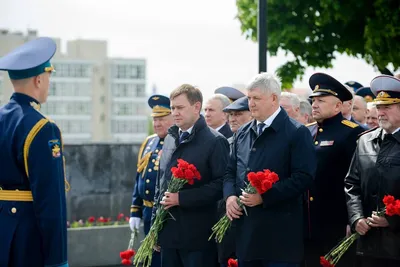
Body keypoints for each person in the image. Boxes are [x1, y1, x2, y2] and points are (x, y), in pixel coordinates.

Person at [224, 73, 316, 267]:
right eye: (249, 98)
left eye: (256, 98)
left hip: (280, 238)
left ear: (274, 98)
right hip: (247, 236)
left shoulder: (297, 132)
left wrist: (265, 197)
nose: (251, 103)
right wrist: (230, 197)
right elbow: (230, 171)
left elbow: (304, 177)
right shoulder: (243, 131)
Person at [0, 37, 69, 267]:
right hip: (27, 242)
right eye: (49, 77)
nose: (49, 83)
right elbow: (51, 202)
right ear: (39, 79)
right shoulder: (43, 128)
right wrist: (58, 260)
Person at [152, 84, 230, 267]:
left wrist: (182, 198)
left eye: (180, 108)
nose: (175, 113)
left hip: (198, 238)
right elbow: (161, 183)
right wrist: (156, 227)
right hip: (169, 235)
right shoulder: (171, 137)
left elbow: (221, 185)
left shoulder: (215, 141)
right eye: (172, 108)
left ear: (196, 107)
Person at [304, 73, 365, 267]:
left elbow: (357, 180)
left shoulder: (351, 132)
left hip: (335, 223)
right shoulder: (307, 131)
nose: (315, 104)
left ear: (338, 106)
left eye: (321, 100)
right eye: (313, 100)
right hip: (307, 224)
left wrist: (351, 219)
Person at [345, 74, 400, 267]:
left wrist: (393, 219)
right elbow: (352, 183)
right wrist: (356, 217)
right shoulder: (364, 141)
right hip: (367, 245)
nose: (381, 112)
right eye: (379, 107)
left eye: (388, 106)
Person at [129, 94, 173, 267]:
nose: (157, 123)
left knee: (161, 260)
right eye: (155, 119)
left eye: (162, 119)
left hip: (165, 213)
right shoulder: (149, 141)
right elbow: (139, 177)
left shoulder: (176, 142)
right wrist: (135, 210)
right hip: (147, 212)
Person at [217, 96, 252, 267]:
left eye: (238, 114)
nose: (233, 119)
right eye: (230, 114)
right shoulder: (226, 143)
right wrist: (229, 197)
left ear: (252, 114)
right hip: (225, 214)